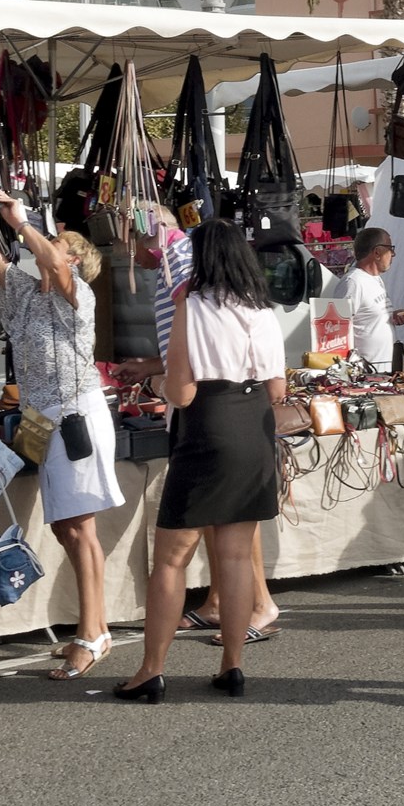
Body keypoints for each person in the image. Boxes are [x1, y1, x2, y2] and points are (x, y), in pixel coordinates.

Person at [115, 219, 285, 703]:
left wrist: (154, 385)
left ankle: (151, 670)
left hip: (206, 426)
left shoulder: (190, 304)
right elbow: (278, 389)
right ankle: (232, 665)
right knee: (233, 556)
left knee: (172, 558)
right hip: (254, 428)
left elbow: (181, 391)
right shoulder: (263, 310)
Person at [0, 192, 124, 682]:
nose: (42, 250)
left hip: (73, 417)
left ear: (74, 262)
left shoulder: (77, 295)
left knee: (79, 528)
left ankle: (92, 633)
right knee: (67, 527)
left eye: (55, 246)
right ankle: (97, 627)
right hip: (44, 421)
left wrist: (23, 222)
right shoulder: (28, 294)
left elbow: (46, 260)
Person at [332, 226, 404, 372]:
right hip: (366, 373)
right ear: (377, 252)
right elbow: (337, 330)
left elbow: (367, 317)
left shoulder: (375, 279)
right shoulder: (353, 282)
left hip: (384, 370)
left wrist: (392, 316)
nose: (393, 254)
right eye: (390, 248)